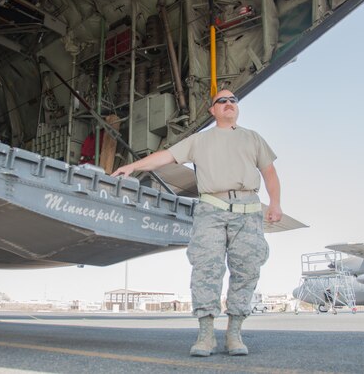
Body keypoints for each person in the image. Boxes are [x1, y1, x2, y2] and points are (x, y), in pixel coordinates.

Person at [111, 89, 282, 357]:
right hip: (211, 209)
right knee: (206, 269)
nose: (229, 104)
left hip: (248, 211)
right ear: (212, 111)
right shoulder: (199, 141)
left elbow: (269, 172)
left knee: (247, 269)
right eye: (222, 101)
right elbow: (166, 156)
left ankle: (234, 332)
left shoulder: (253, 139)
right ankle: (206, 335)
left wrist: (275, 203)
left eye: (233, 100)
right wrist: (133, 167)